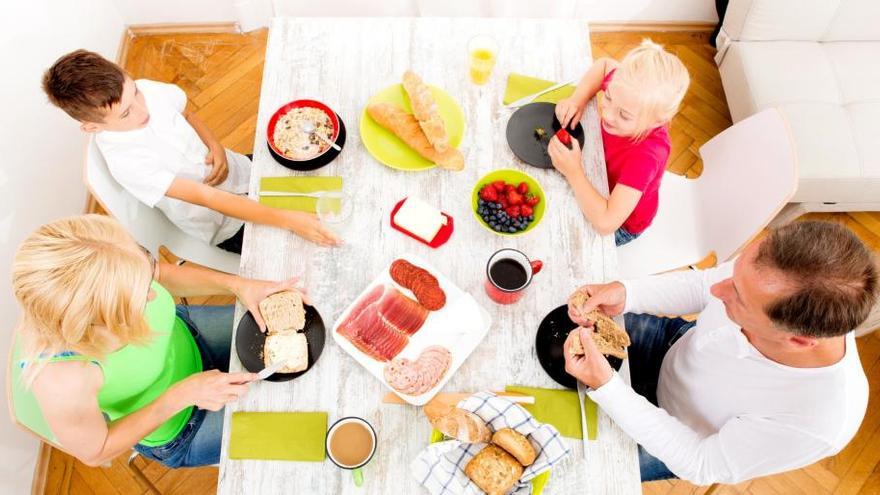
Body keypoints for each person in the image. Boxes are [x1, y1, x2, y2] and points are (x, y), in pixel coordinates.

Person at [563, 221, 877, 484]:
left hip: (674, 438)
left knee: (566, 471)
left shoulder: (819, 423)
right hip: (672, 347)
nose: (717, 291)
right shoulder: (770, 274)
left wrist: (608, 388)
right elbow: (702, 286)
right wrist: (629, 294)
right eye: (733, 275)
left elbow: (700, 461)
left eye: (737, 297)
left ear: (798, 340)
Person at [8, 214, 304, 467]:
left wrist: (238, 285)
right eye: (139, 299)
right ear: (97, 322)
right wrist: (183, 394)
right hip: (182, 427)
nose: (153, 295)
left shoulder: (113, 266)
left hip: (189, 336)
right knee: (298, 423)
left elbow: (161, 273)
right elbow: (96, 451)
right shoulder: (61, 380)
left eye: (145, 275)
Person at [42, 50, 340, 252]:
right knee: (306, 246)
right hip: (222, 222)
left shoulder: (146, 90)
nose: (142, 110)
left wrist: (214, 145)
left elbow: (186, 114)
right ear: (92, 127)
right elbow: (209, 198)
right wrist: (287, 219)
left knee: (334, 198)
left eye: (136, 94)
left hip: (238, 171)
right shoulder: (126, 162)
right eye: (125, 114)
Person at [549, 40, 690, 246]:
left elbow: (606, 223)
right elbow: (604, 65)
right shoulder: (625, 89)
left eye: (624, 115)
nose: (607, 113)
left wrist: (573, 171)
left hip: (622, 224)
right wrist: (577, 99)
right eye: (607, 97)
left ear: (658, 121)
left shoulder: (647, 157)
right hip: (599, 173)